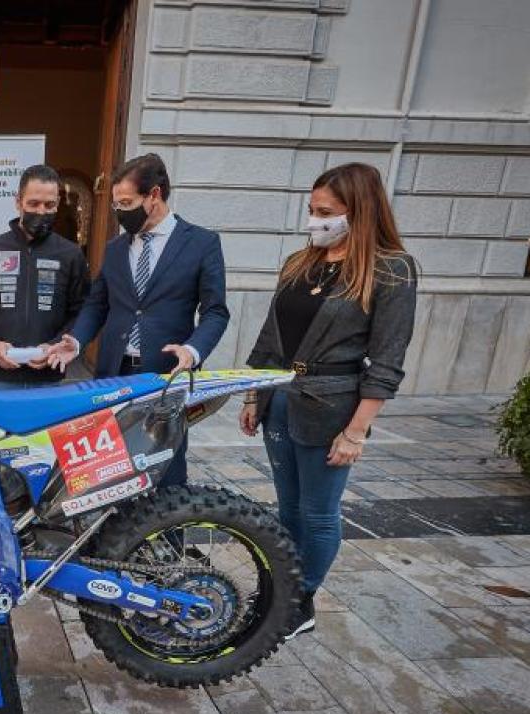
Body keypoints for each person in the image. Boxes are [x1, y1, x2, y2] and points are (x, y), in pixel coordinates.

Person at [240, 163, 418, 639]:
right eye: (312, 210)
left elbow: (387, 360)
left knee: (318, 512)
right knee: (288, 509)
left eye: (327, 212)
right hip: (281, 399)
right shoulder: (302, 262)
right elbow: (271, 335)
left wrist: (357, 431)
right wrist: (254, 393)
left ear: (359, 212)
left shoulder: (390, 269)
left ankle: (301, 599)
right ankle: (282, 588)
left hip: (333, 408)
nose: (315, 220)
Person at [46, 153, 229, 487]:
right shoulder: (116, 249)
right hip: (114, 375)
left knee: (165, 469)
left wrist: (193, 350)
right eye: (116, 205)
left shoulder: (201, 244)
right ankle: (117, 537)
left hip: (165, 375)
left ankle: (170, 538)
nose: (119, 212)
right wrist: (77, 339)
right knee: (111, 469)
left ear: (154, 195)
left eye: (127, 203)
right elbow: (98, 303)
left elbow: (216, 312)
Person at [0, 164, 90, 389]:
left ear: (58, 204)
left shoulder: (71, 255)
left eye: (49, 205)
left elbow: (83, 312)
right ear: (18, 202)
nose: (41, 211)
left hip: (49, 379)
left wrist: (55, 345)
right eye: (33, 203)